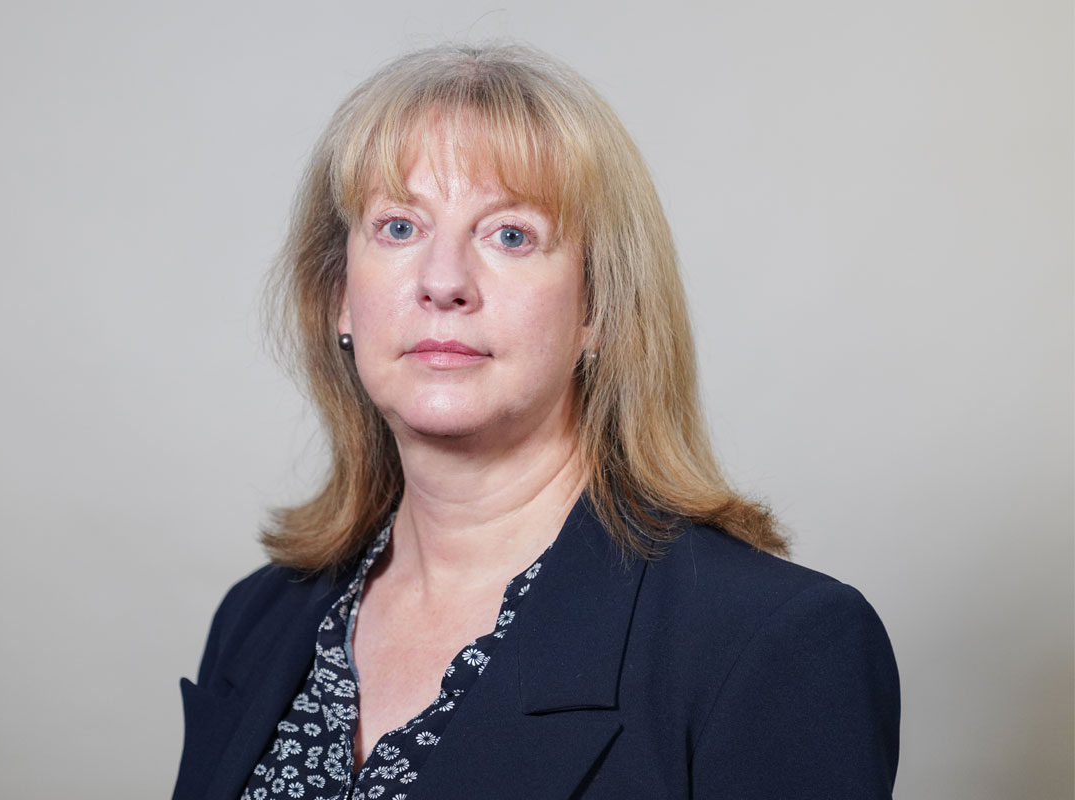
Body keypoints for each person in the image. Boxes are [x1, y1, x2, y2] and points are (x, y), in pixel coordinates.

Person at [172, 42, 900, 800]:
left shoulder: (773, 645)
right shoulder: (258, 620)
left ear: (597, 309)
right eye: (398, 227)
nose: (444, 282)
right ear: (338, 297)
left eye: (510, 235)